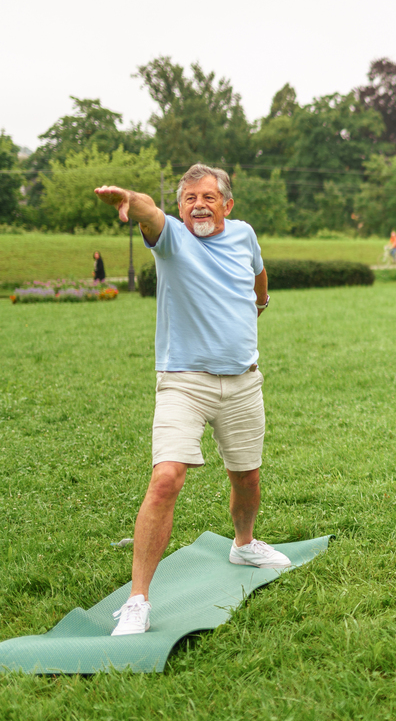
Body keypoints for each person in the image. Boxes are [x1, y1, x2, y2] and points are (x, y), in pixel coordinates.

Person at [94, 164, 291, 636]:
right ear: (179, 207)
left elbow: (259, 274)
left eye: (207, 197)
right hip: (184, 381)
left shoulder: (243, 234)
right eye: (188, 199)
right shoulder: (173, 238)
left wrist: (259, 302)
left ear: (227, 203)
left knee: (247, 477)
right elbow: (148, 211)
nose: (198, 205)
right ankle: (138, 599)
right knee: (166, 477)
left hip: (243, 381)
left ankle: (243, 544)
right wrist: (132, 200)